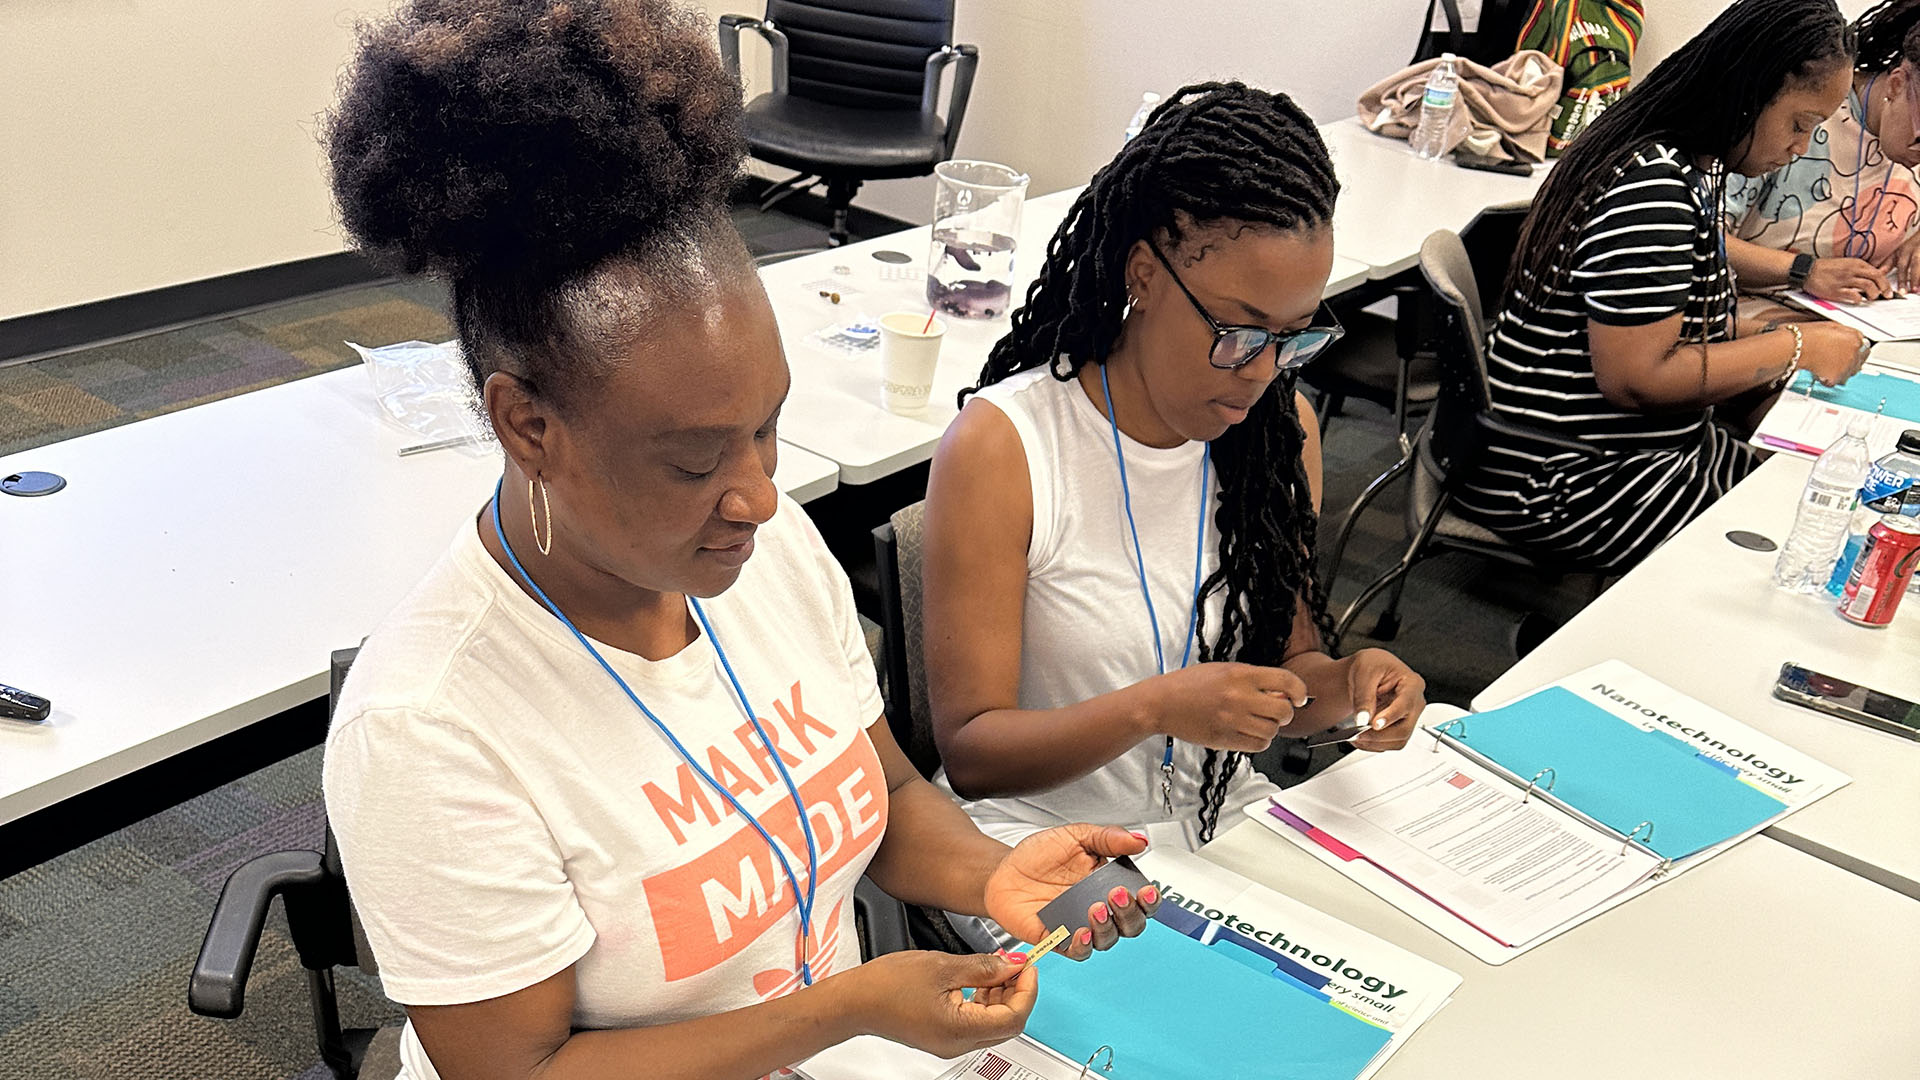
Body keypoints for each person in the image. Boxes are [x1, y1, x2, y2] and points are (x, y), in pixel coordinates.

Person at [319, 5, 1159, 1080]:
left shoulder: (768, 554)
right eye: (692, 460)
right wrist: (842, 1011)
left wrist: (992, 875)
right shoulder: (430, 725)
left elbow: (889, 796)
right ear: (529, 426)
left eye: (766, 426)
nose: (758, 496)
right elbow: (518, 1073)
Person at [919, 82, 1429, 940]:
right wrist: (1151, 709)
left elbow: (1283, 686)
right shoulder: (1008, 446)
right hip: (1040, 840)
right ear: (1146, 276)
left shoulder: (1278, 437)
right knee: (1175, 1005)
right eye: (1239, 332)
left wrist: (1346, 687)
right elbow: (971, 755)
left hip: (1217, 822)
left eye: (1295, 337)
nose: (1263, 371)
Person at [1453, 0, 1874, 573]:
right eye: (1799, 124)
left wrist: (1768, 334)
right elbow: (1635, 378)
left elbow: (1662, 320)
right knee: (1809, 546)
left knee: (1812, 501)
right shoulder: (1652, 188)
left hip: (1609, 452)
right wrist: (1797, 348)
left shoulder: (1671, 162)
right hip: (1567, 478)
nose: (1800, 147)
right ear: (1746, 91)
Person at [1726, 1, 1920, 306]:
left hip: (1875, 328)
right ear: (1896, 85)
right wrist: (1804, 270)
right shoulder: (1803, 112)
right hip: (1761, 321)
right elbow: (1698, 238)